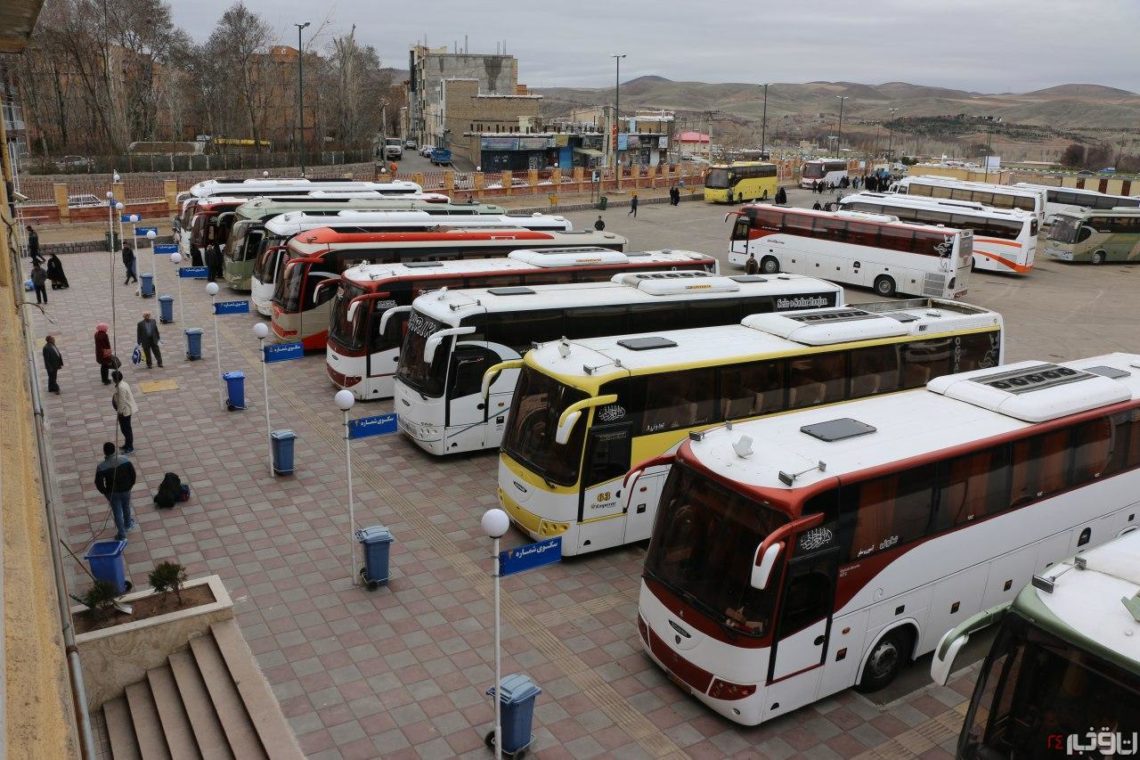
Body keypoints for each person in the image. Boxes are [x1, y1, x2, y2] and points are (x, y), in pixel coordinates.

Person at [94, 441, 136, 540]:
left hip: (113, 492)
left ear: (105, 452)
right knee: (126, 506)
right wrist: (130, 486)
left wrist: (105, 492)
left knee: (117, 512)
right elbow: (133, 475)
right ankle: (128, 524)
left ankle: (121, 534)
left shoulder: (101, 467)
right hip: (126, 490)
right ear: (114, 450)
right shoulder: (125, 460)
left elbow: (98, 482)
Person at [111, 370, 138, 454]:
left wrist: (119, 412)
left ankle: (130, 447)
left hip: (125, 411)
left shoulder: (121, 387)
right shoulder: (123, 383)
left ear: (115, 379)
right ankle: (127, 444)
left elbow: (122, 401)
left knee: (126, 429)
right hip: (124, 410)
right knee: (125, 429)